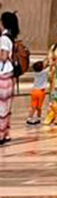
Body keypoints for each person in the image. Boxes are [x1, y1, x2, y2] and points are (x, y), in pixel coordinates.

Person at [0, 12, 19, 144]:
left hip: (2, 73)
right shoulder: (11, 36)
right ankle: (5, 132)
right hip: (9, 74)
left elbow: (4, 57)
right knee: (6, 105)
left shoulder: (4, 38)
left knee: (1, 105)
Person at [28, 61, 48, 126]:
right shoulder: (45, 72)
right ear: (42, 67)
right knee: (39, 107)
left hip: (34, 91)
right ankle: (38, 118)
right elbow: (52, 65)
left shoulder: (35, 73)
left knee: (33, 106)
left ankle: (29, 118)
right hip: (41, 92)